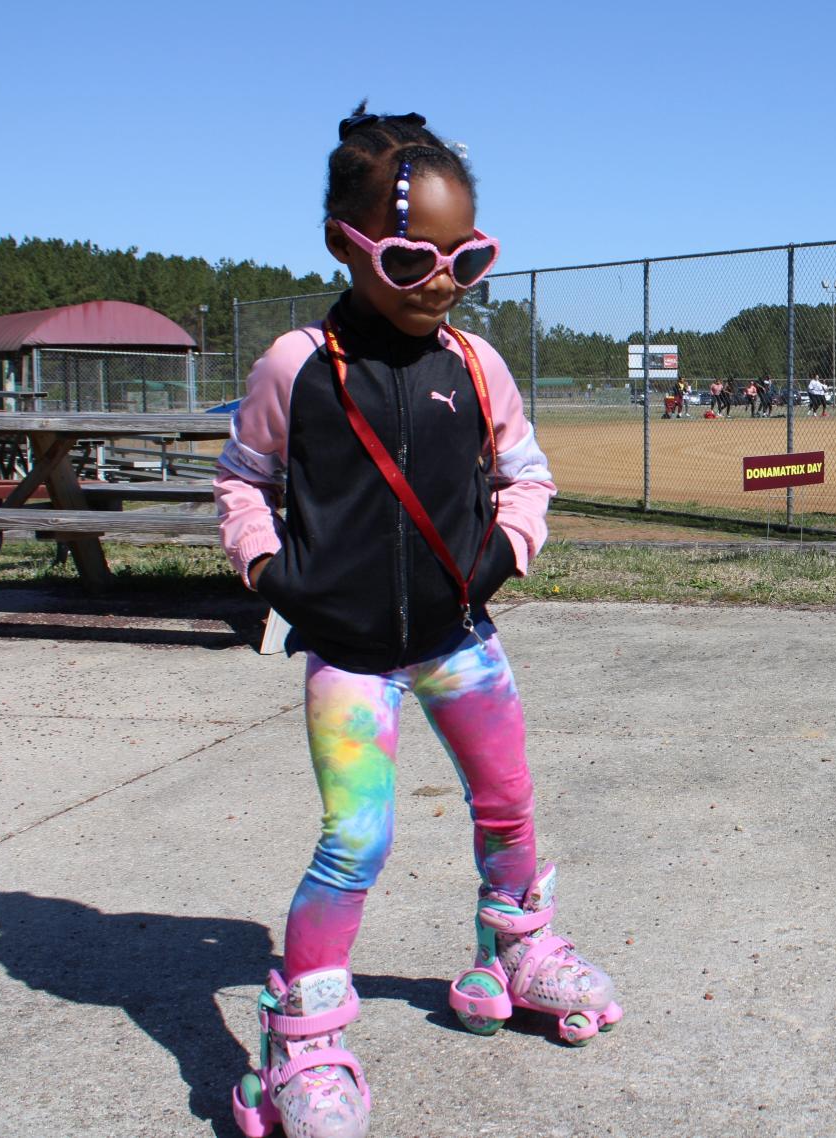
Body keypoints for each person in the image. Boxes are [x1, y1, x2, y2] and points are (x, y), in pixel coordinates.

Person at [215, 105, 621, 1138]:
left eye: (465, 258)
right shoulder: (294, 366)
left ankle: (516, 949)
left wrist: (503, 553)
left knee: (510, 801)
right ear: (343, 244)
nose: (440, 280)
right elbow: (244, 480)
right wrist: (271, 570)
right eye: (408, 258)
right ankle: (302, 1040)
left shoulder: (476, 366)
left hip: (461, 640)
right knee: (356, 838)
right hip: (348, 655)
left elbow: (525, 471)